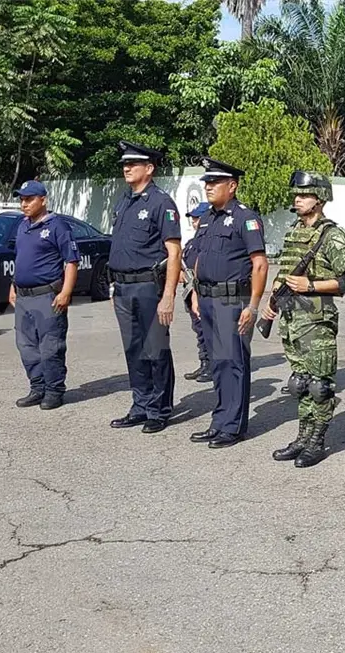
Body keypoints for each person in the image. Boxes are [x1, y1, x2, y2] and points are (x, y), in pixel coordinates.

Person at [266, 171, 345, 467]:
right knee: (300, 383)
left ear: (319, 200)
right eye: (296, 194)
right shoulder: (294, 230)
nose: (297, 198)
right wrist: (273, 300)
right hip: (292, 319)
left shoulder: (331, 235)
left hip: (317, 321)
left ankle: (317, 442)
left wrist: (311, 286)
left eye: (304, 195)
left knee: (320, 386)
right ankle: (303, 437)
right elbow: (285, 271)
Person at [188, 158, 268, 449]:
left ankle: (233, 427)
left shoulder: (246, 218)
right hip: (207, 299)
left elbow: (259, 264)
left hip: (233, 300)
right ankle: (219, 420)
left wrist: (253, 306)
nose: (208, 187)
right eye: (207, 183)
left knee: (233, 363)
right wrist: (195, 293)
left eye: (215, 183)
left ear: (231, 186)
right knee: (218, 364)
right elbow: (198, 257)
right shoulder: (208, 218)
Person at [107, 141, 181, 434]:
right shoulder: (124, 201)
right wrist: (114, 287)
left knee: (155, 349)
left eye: (133, 164)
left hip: (149, 287)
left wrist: (168, 296)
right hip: (124, 288)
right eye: (125, 164)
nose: (127, 168)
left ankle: (159, 409)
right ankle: (140, 405)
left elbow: (174, 252)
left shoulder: (162, 203)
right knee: (133, 349)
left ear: (149, 169)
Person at [9, 180, 80, 410]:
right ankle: (37, 387)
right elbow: (20, 259)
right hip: (23, 297)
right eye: (21, 199)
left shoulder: (57, 226)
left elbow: (71, 261)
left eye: (29, 199)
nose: (24, 204)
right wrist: (13, 285)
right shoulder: (22, 226)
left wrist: (66, 292)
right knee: (26, 345)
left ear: (43, 200)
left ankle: (54, 390)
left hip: (47, 295)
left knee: (51, 347)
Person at [182, 202, 212, 383]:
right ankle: (204, 362)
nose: (194, 221)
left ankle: (212, 365)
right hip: (189, 290)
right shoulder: (192, 242)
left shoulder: (209, 241)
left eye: (197, 217)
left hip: (202, 291)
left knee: (206, 330)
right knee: (198, 329)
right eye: (193, 218)